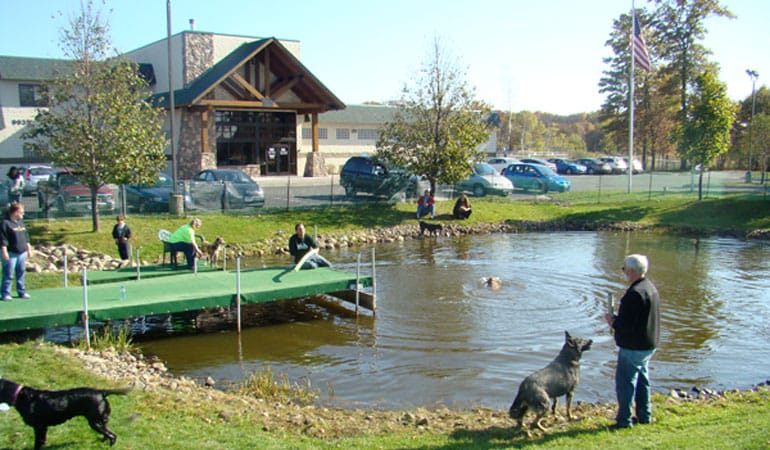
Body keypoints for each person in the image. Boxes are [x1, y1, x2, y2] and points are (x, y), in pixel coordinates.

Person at [604, 254, 661, 429]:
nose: (623, 272)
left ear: (631, 271)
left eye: (624, 269)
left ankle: (624, 420)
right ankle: (644, 415)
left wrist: (612, 321)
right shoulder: (650, 287)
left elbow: (625, 325)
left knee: (625, 383)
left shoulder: (634, 294)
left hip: (633, 346)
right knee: (643, 381)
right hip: (648, 343)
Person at [0, 203, 32, 300]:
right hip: (11, 253)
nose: (22, 214)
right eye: (21, 212)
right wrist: (4, 252)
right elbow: (3, 239)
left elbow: (26, 237)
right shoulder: (5, 223)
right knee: (8, 274)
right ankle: (5, 293)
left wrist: (29, 249)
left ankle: (21, 291)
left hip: (21, 253)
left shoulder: (20, 222)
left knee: (21, 272)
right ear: (15, 212)